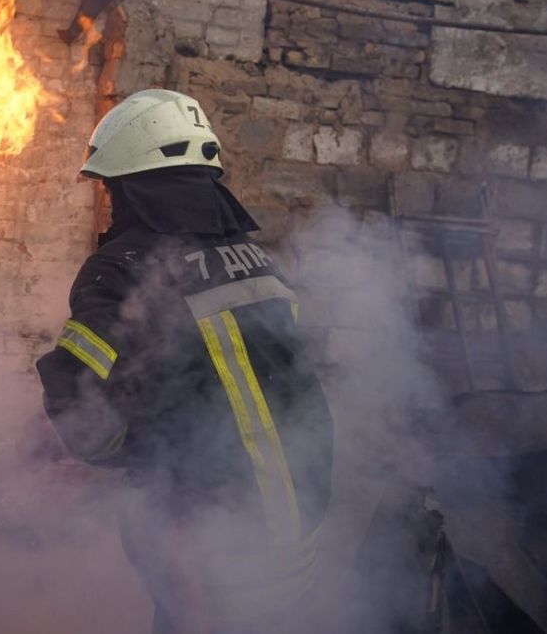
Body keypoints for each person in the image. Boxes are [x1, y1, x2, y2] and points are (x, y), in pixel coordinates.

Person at [36, 89, 334, 633]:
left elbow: (84, 418)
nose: (107, 202)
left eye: (110, 188)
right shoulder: (260, 260)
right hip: (303, 515)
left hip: (206, 541)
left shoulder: (120, 269)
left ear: (132, 187)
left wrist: (134, 455)